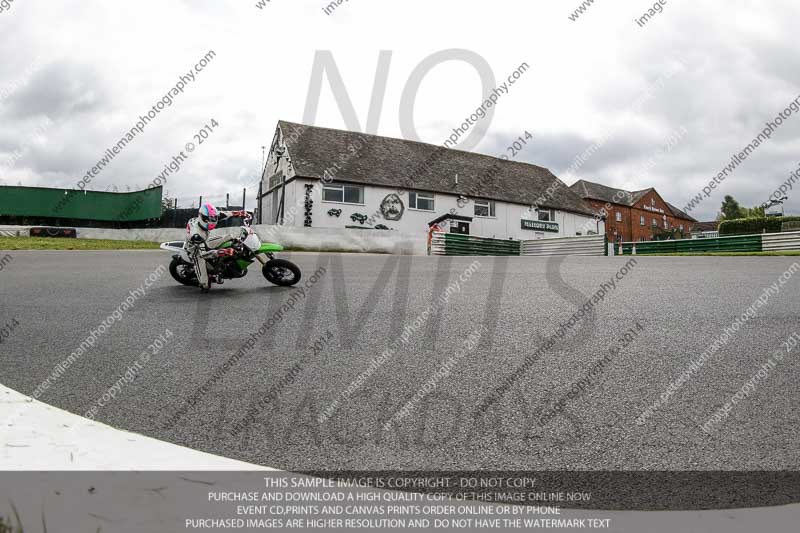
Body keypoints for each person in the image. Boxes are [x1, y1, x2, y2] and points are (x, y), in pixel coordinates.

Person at [185, 202, 248, 290]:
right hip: (195, 250)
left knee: (229, 237)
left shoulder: (206, 218)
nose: (212, 220)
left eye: (213, 218)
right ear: (202, 217)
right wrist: (222, 252)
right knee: (205, 285)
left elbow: (223, 214)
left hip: (205, 240)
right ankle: (203, 282)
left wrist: (239, 213)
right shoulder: (196, 235)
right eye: (209, 219)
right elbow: (204, 254)